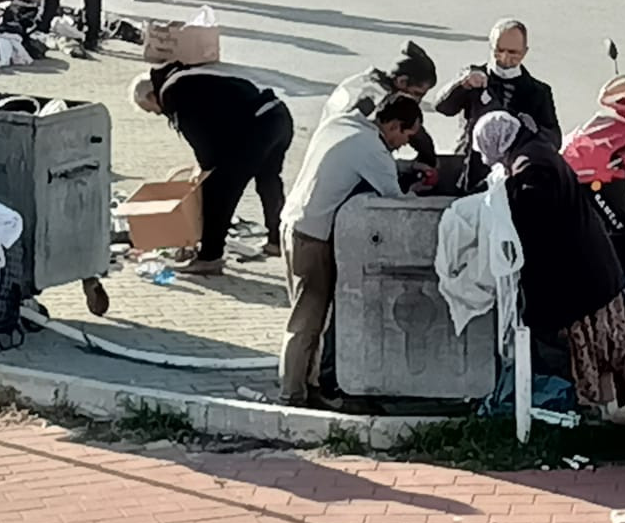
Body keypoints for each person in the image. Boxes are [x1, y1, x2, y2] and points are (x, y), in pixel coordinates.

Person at [475, 110, 625, 409]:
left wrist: (505, 200)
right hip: (595, 271)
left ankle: (610, 417)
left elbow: (535, 214)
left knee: (597, 361)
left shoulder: (531, 167)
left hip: (580, 283)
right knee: (620, 359)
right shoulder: (537, 149)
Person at [279, 94, 422, 406]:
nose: (402, 144)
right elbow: (393, 202)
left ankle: (309, 385)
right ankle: (292, 394)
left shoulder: (342, 123)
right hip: (313, 237)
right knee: (308, 318)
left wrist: (406, 165)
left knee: (311, 316)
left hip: (292, 222)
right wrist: (418, 192)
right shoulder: (373, 149)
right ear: (394, 125)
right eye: (405, 136)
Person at [132, 63, 294, 273]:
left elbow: (203, 144)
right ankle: (277, 240)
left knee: (218, 189)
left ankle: (210, 257)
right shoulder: (182, 79)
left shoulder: (173, 93)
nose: (157, 114)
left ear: (153, 96)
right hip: (277, 116)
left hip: (259, 126)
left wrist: (203, 171)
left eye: (150, 110)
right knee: (268, 179)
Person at [434, 19, 560, 192]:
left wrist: (533, 130)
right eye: (499, 50)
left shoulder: (539, 92)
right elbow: (442, 107)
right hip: (472, 172)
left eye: (513, 52)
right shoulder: (474, 75)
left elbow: (555, 139)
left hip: (515, 178)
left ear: (525, 52)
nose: (505, 58)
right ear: (491, 47)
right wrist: (463, 85)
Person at [321, 41, 440, 169]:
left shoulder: (369, 82)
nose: (418, 101)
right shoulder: (375, 97)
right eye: (417, 93)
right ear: (402, 81)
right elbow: (408, 129)